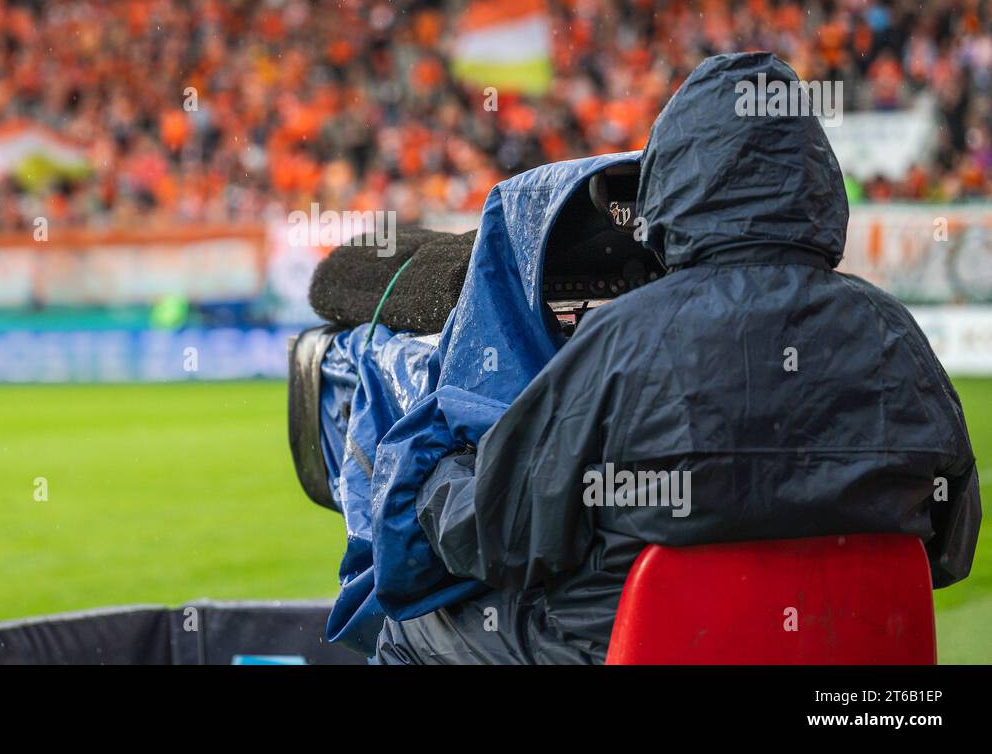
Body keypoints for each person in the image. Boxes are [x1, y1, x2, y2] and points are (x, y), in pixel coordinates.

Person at [374, 52, 982, 664]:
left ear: (674, 179)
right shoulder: (896, 334)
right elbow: (949, 550)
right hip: (845, 674)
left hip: (621, 650)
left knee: (410, 630)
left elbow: (497, 538)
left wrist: (439, 476)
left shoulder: (622, 341)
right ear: (817, 181)